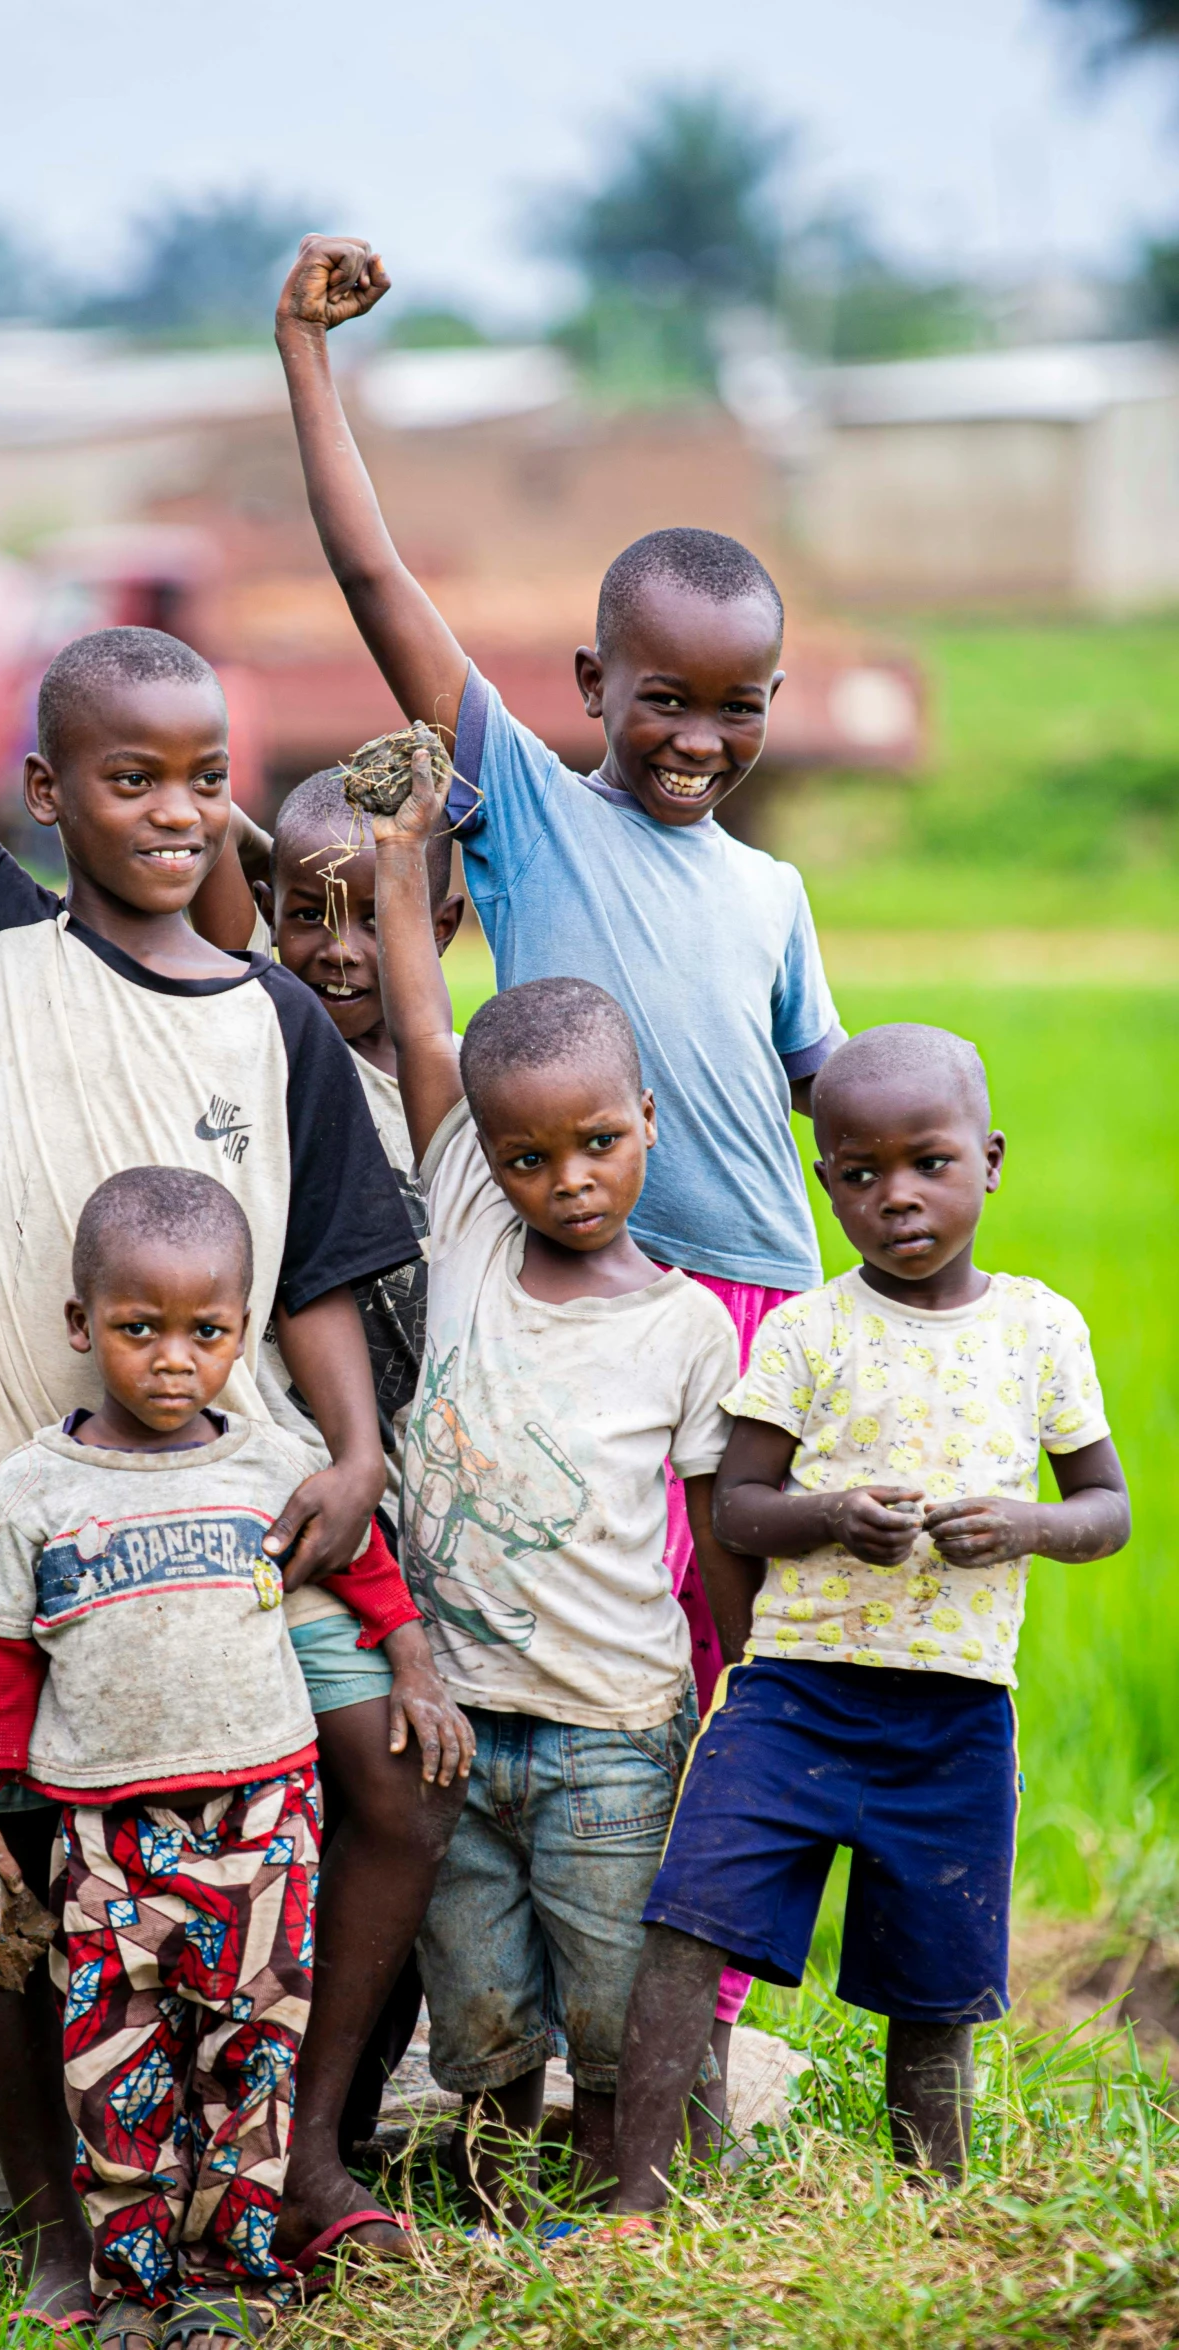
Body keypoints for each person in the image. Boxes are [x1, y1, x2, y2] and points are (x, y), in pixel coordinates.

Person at [0, 320, 440, 2316]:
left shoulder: (272, 1021)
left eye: (202, 781)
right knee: (8, 1867)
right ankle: (43, 2209)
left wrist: (347, 1454)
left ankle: (306, 2133)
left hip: (236, 1521)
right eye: (127, 777)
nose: (173, 811)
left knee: (373, 1788)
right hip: (16, 1527)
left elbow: (330, 1257)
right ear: (45, 790)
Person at [273, 232, 847, 2032]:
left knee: (731, 1668)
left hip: (756, 1309)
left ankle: (687, 2019)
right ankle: (512, 2002)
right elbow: (372, 573)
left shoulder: (771, 888)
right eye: (661, 695)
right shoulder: (521, 802)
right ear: (591, 682)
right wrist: (309, 355)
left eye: (735, 702)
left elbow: (818, 1086)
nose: (697, 733)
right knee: (569, 1636)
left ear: (772, 701)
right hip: (586, 1287)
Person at [613, 1024, 1132, 2208]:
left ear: (989, 1160)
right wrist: (834, 1514)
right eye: (859, 1172)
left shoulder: (1039, 1329)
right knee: (686, 1926)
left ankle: (929, 2206)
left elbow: (1103, 1509)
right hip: (794, 1694)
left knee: (931, 1983)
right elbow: (737, 1507)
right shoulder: (806, 1329)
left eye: (929, 1163)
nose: (895, 1196)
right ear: (824, 1179)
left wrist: (1025, 1522)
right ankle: (639, 2201)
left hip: (952, 1717)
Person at [364, 745, 745, 2217]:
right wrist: (402, 859)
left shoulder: (684, 1326)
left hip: (609, 1722)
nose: (566, 1177)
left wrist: (741, 1689)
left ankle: (628, 2182)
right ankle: (497, 2177)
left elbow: (710, 1535)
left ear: (646, 1121)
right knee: (475, 2005)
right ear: (488, 1161)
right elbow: (416, 1021)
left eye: (596, 1141)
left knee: (611, 1991)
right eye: (528, 1155)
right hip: (451, 1719)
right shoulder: (459, 1212)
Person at [0, 1166, 380, 2346]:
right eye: (139, 1329)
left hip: (265, 1826)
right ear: (83, 1328)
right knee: (115, 2071)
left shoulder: (272, 1464)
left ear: (242, 1328)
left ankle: (229, 2280)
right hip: (103, 1846)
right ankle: (130, 2291)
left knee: (250, 2066)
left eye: (207, 1331)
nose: (173, 1358)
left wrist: (417, 1674)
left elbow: (367, 1571)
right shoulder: (32, 1494)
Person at [192, 772, 469, 2171]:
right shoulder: (247, 1045)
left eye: (374, 917)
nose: (337, 948)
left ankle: (335, 2127)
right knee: (294, 1812)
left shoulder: (461, 1087)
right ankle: (262, 2127)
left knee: (409, 1815)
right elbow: (229, 899)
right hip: (288, 1512)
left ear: (445, 917)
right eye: (307, 915)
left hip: (425, 1521)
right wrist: (246, 845)